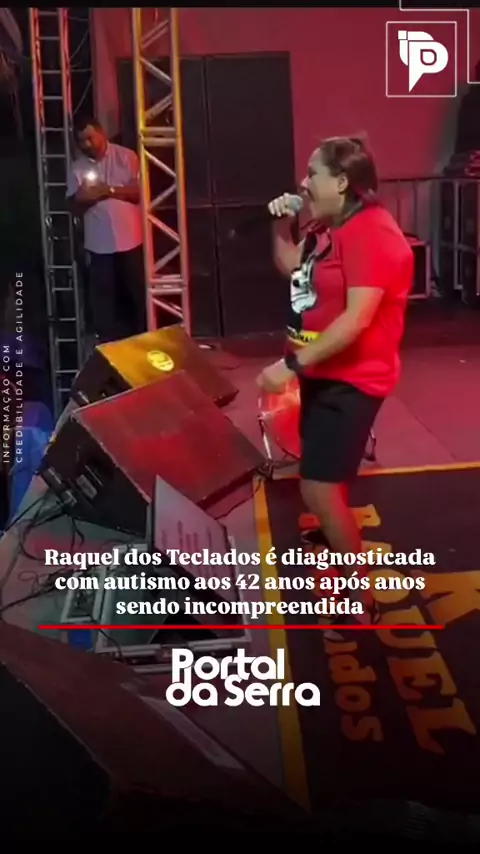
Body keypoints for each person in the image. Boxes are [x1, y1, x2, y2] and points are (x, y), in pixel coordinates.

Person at [256, 136, 413, 631]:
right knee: (323, 469)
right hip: (323, 371)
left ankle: (360, 593)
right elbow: (291, 268)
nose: (303, 182)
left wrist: (292, 366)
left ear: (342, 182)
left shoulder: (372, 233)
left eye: (313, 173)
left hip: (353, 379)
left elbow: (356, 321)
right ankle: (334, 528)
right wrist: (280, 222)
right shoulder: (328, 226)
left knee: (318, 489)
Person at [66, 117, 146, 343]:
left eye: (90, 138)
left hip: (130, 240)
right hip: (99, 246)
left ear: (102, 133)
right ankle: (109, 347)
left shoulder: (126, 156)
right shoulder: (78, 168)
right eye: (81, 141)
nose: (86, 145)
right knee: (104, 304)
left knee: (136, 296)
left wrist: (108, 190)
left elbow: (139, 192)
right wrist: (83, 198)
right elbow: (72, 207)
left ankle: (142, 340)